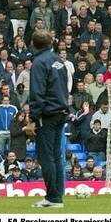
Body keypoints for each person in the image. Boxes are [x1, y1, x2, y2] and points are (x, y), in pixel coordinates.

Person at [28, 27, 70, 209]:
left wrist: (32, 119)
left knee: (46, 157)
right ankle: (58, 195)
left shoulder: (38, 62)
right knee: (56, 155)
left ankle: (53, 197)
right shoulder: (59, 61)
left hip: (48, 113)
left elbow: (37, 93)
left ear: (33, 44)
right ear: (51, 43)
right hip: (61, 111)